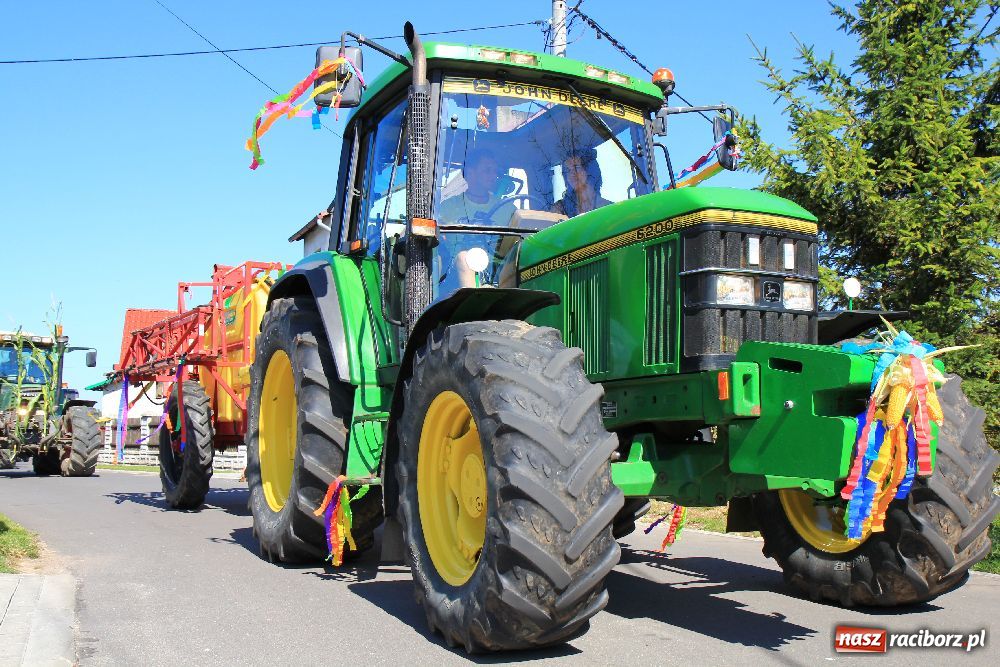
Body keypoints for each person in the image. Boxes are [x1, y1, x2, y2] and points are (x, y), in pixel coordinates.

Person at [437, 148, 516, 226]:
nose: (494, 175)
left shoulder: (507, 209)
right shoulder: (447, 208)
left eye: (495, 171)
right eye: (488, 170)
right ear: (470, 173)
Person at [551, 148, 611, 217]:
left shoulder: (609, 208)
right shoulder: (559, 208)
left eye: (576, 167)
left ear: (590, 170)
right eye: (567, 170)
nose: (572, 173)